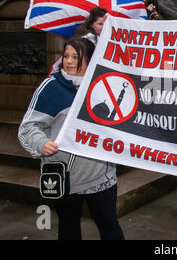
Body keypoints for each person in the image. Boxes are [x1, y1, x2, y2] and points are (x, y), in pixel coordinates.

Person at [18, 37, 125, 240]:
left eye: (76, 57)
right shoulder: (51, 88)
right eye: (66, 55)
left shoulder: (105, 85)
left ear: (91, 60)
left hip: (100, 176)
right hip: (64, 176)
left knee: (109, 224)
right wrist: (41, 143)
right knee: (68, 226)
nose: (68, 61)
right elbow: (29, 127)